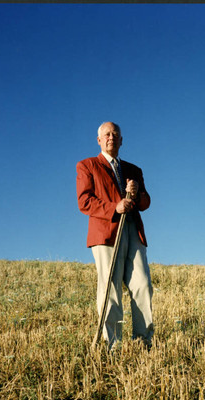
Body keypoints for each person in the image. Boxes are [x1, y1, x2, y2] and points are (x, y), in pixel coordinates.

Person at [76, 122, 154, 351]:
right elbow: (84, 201)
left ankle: (144, 342)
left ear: (121, 141)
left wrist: (137, 192)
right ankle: (112, 346)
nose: (111, 137)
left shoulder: (133, 170)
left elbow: (146, 202)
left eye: (115, 135)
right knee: (110, 288)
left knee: (143, 284)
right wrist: (114, 207)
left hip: (133, 230)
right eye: (107, 134)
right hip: (106, 231)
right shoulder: (87, 166)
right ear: (99, 140)